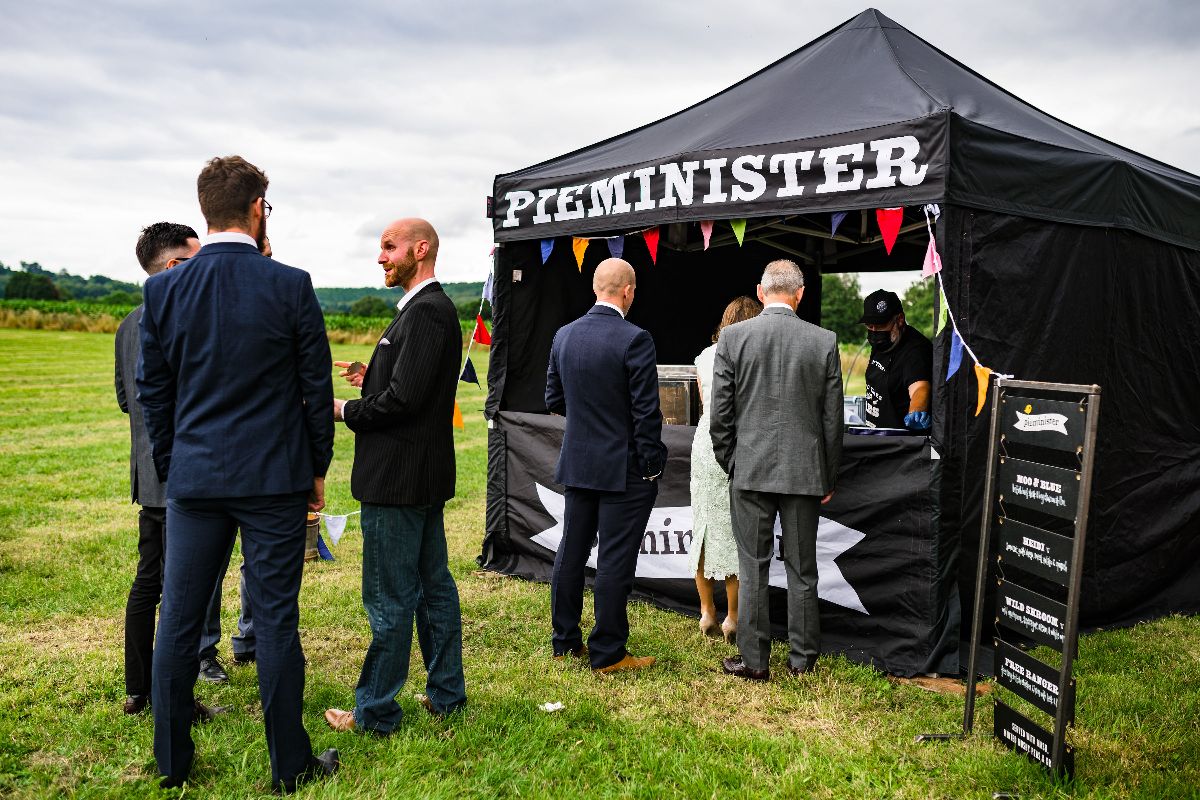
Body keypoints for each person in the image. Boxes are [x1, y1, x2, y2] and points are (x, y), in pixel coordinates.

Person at [137, 155, 338, 792]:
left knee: (179, 620)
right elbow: (315, 388)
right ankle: (290, 766)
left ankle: (172, 760)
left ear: (206, 212)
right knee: (276, 621)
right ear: (257, 209)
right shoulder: (291, 284)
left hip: (195, 480)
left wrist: (175, 471)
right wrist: (317, 468)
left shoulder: (164, 290)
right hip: (275, 477)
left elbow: (154, 395)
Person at [324, 218, 467, 735]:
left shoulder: (428, 311)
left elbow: (405, 402)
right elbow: (411, 386)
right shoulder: (418, 311)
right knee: (432, 589)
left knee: (390, 598)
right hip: (417, 477)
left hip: (399, 481)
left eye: (389, 247)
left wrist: (345, 409)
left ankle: (375, 711)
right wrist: (373, 378)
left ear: (420, 249)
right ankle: (447, 693)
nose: (381, 257)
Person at [115, 221, 229, 717]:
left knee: (148, 583)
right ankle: (173, 699)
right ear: (176, 266)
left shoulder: (126, 323)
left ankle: (138, 690)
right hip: (185, 475)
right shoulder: (180, 321)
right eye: (198, 260)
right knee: (181, 595)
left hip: (148, 476)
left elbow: (126, 399)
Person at [710, 259, 842, 681]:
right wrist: (828, 475)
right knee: (803, 570)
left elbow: (720, 415)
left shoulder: (733, 338)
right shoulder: (824, 341)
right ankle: (802, 661)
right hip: (804, 473)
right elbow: (833, 422)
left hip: (749, 469)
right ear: (800, 294)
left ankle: (754, 660)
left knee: (753, 566)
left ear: (762, 291)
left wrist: (732, 461)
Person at [544, 257, 668, 675]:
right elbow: (647, 413)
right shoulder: (635, 338)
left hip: (578, 461)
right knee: (615, 559)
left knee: (572, 551)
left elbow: (553, 400)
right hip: (624, 468)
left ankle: (564, 642)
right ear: (629, 291)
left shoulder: (564, 336)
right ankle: (609, 653)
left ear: (596, 288)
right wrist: (651, 464)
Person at [689, 296, 762, 643]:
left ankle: (706, 611)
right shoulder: (754, 355)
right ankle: (733, 617)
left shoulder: (704, 356)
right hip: (737, 442)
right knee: (735, 533)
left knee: (702, 527)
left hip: (705, 442)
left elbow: (708, 405)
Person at [859, 289, 932, 431]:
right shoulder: (883, 342)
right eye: (869, 325)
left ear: (899, 320)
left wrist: (916, 411)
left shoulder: (916, 350)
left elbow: (920, 387)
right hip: (877, 434)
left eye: (880, 325)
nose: (874, 331)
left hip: (900, 442)